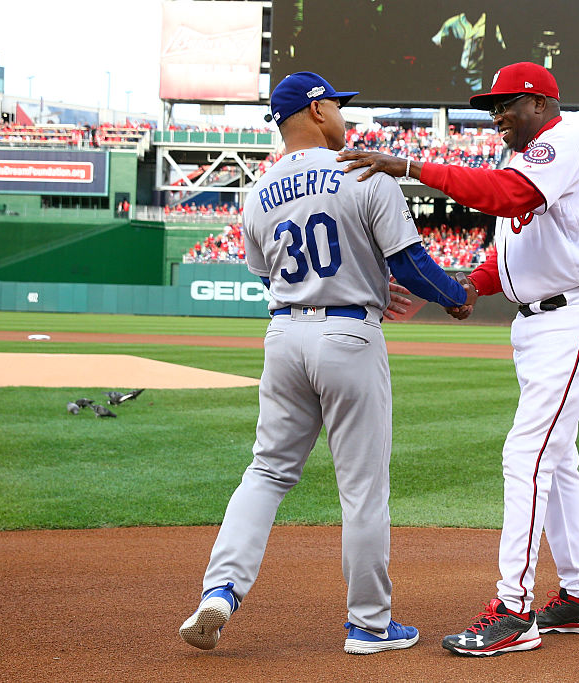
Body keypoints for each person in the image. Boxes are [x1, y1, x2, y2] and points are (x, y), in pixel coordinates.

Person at [178, 71, 475, 655]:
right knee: (363, 488)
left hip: (284, 335)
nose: (344, 115)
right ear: (316, 111)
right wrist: (457, 297)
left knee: (265, 473)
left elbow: (267, 274)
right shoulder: (364, 169)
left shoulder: (257, 191)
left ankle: (219, 592)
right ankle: (369, 624)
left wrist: (352, 283)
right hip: (347, 339)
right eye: (337, 105)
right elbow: (411, 264)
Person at [339, 61, 579, 656]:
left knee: (526, 453)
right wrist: (463, 288)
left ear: (540, 104)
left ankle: (514, 610)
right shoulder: (524, 159)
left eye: (506, 105)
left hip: (574, 316)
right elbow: (513, 252)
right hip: (543, 321)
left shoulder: (562, 143)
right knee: (556, 456)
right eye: (492, 107)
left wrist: (412, 166)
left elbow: (508, 196)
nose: (497, 117)